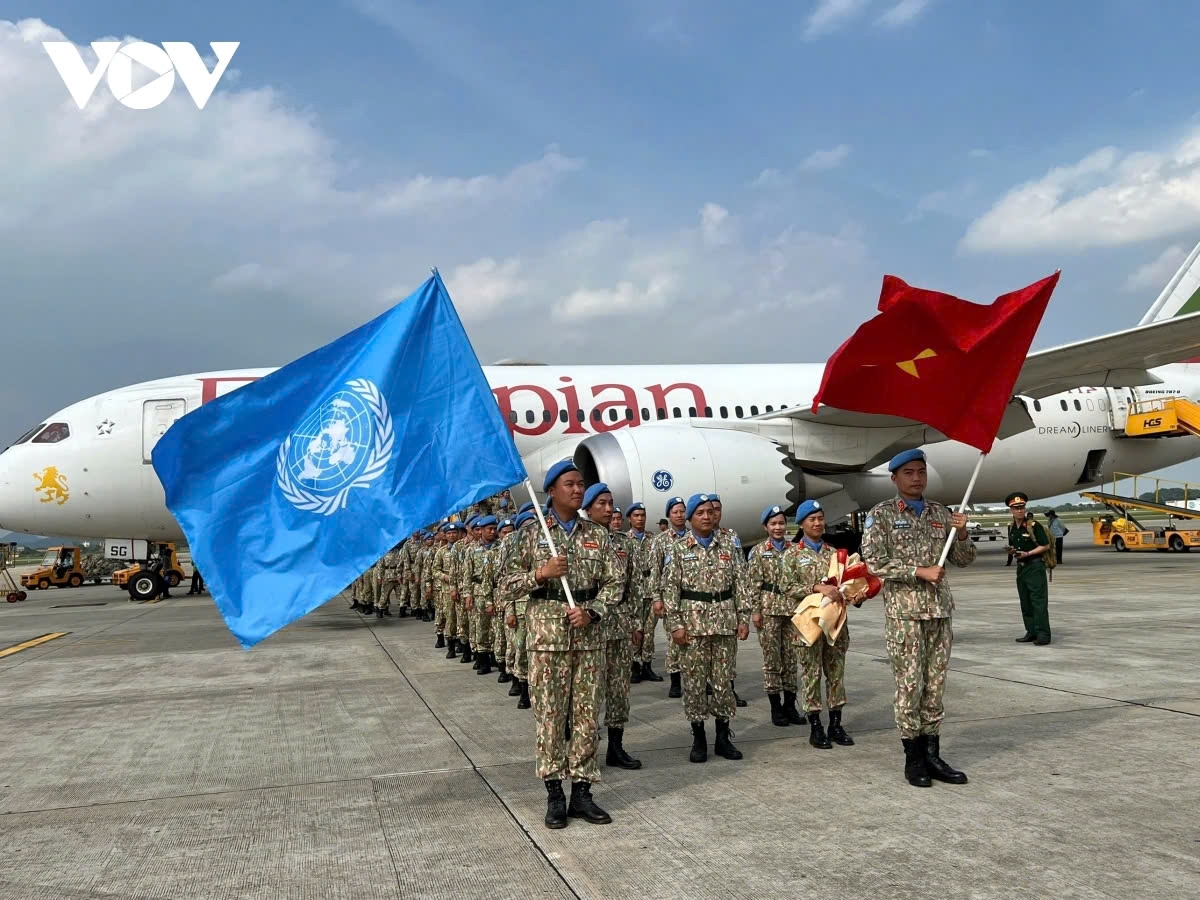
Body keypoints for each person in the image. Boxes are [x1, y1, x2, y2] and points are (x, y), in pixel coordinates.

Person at [499, 459, 621, 829]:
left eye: (581, 483)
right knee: (550, 718)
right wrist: (541, 574)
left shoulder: (597, 535)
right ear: (551, 491)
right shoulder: (528, 535)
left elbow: (616, 584)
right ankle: (555, 793)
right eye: (569, 484)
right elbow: (503, 585)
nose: (578, 489)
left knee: (586, 717)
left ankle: (582, 793)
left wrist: (593, 611)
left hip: (587, 637)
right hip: (547, 641)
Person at [861, 448, 975, 788]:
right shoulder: (880, 515)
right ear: (894, 478)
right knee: (910, 686)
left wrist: (964, 533)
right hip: (905, 615)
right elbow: (873, 561)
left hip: (939, 611)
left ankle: (933, 753)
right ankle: (913, 758)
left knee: (935, 686)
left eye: (921, 471)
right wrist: (917, 571)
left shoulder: (941, 513)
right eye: (908, 472)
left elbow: (963, 559)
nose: (916, 478)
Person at [660, 493, 752, 763]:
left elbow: (741, 584)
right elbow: (670, 590)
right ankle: (698, 737)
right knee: (695, 684)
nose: (707, 516)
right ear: (689, 518)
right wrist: (675, 625)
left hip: (724, 623)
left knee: (724, 683)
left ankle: (723, 737)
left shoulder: (729, 545)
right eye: (700, 513)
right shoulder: (678, 549)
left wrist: (743, 618)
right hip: (693, 626)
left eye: (711, 512)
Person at [780, 500, 854, 748]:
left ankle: (836, 723)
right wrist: (815, 587)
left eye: (820, 518)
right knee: (811, 674)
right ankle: (815, 725)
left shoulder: (835, 554)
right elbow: (786, 587)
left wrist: (854, 592)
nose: (817, 523)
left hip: (834, 625)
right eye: (812, 519)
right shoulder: (792, 554)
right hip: (808, 625)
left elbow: (845, 583)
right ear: (801, 523)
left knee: (836, 674)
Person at [581, 483, 644, 770]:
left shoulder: (624, 543)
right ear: (588, 507)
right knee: (588, 693)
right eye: (602, 504)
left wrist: (636, 623)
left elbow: (633, 587)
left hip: (618, 626)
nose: (609, 510)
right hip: (588, 628)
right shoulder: (576, 539)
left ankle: (616, 748)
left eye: (611, 504)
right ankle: (585, 749)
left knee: (619, 690)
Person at [748, 504, 804, 728]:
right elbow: (753, 585)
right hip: (769, 609)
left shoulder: (795, 549)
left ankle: (790, 705)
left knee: (791, 658)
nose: (778, 527)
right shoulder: (759, 552)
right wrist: (755, 611)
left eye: (781, 523)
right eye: (773, 524)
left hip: (792, 610)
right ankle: (775, 706)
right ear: (765, 527)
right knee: (772, 660)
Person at [1007, 493, 1052, 645]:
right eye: (1016, 508)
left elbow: (1045, 545)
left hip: (1035, 567)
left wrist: (1028, 553)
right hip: (1021, 568)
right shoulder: (1012, 527)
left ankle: (1043, 634)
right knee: (1025, 601)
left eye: (1021, 507)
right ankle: (1031, 631)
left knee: (1038, 602)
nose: (1019, 511)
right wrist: (1013, 551)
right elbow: (1014, 544)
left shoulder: (1033, 526)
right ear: (1011, 510)